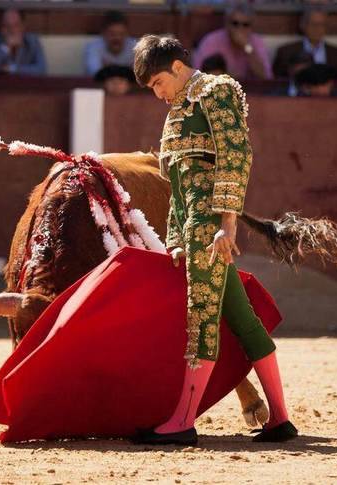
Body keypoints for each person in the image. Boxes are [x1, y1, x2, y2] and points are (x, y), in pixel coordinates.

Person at [132, 34, 297, 445]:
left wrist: (228, 224)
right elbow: (178, 182)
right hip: (194, 227)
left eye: (157, 83)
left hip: (211, 228)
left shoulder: (215, 89)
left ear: (176, 67)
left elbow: (236, 156)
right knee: (241, 320)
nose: (158, 94)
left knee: (201, 318)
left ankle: (183, 421)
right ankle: (280, 418)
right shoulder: (175, 113)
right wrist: (174, 238)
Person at [193, 2, 273, 81]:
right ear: (227, 23)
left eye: (245, 24)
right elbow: (197, 74)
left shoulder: (257, 42)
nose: (240, 28)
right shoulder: (211, 41)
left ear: (252, 26)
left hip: (249, 91)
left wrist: (247, 47)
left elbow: (265, 76)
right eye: (235, 23)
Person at [273, 6, 337, 79]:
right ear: (302, 25)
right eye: (314, 24)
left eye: (322, 25)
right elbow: (277, 83)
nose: (317, 29)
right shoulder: (285, 52)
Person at [0, 9, 46, 76]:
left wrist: (11, 68)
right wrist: (6, 46)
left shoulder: (32, 42)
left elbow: (41, 69)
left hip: (24, 86)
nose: (11, 30)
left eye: (16, 25)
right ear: (0, 28)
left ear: (23, 27)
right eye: (6, 26)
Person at [84, 11, 137, 77]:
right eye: (112, 34)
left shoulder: (136, 47)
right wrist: (128, 70)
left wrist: (108, 68)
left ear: (127, 34)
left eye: (121, 34)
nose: (117, 38)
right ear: (103, 33)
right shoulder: (93, 47)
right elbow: (94, 73)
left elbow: (141, 75)